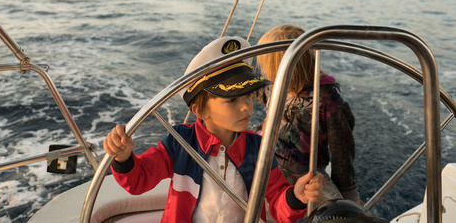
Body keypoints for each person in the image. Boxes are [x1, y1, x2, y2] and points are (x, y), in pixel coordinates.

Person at [104, 36, 323, 223]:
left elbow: (276, 199)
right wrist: (123, 159)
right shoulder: (179, 143)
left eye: (248, 94)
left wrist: (295, 196)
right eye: (232, 99)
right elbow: (139, 180)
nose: (247, 105)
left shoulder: (258, 147)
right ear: (200, 110)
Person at [254, 24, 360, 203]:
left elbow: (342, 151)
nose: (265, 72)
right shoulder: (275, 86)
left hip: (305, 173)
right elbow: (258, 92)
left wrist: (347, 191)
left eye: (267, 66)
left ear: (280, 66)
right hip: (264, 158)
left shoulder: (329, 100)